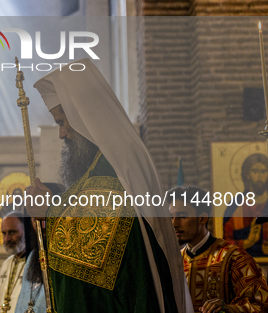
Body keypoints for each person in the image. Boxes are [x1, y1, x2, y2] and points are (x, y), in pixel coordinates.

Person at [27, 59, 191, 312]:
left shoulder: (111, 165)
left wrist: (49, 212)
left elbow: (93, 236)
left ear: (82, 117)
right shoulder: (105, 162)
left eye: (61, 122)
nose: (61, 134)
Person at [168, 185, 268, 313]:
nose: (174, 224)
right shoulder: (173, 262)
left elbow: (262, 305)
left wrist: (228, 309)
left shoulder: (235, 259)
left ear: (202, 218)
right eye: (171, 217)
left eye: (182, 217)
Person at [223, 153, 268, 256]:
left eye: (263, 172)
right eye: (255, 171)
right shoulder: (236, 205)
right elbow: (226, 243)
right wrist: (247, 242)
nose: (260, 176)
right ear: (247, 175)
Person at [0, 211, 34, 313]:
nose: (7, 238)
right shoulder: (6, 264)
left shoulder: (35, 263)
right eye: (4, 233)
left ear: (27, 231)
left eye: (12, 232)